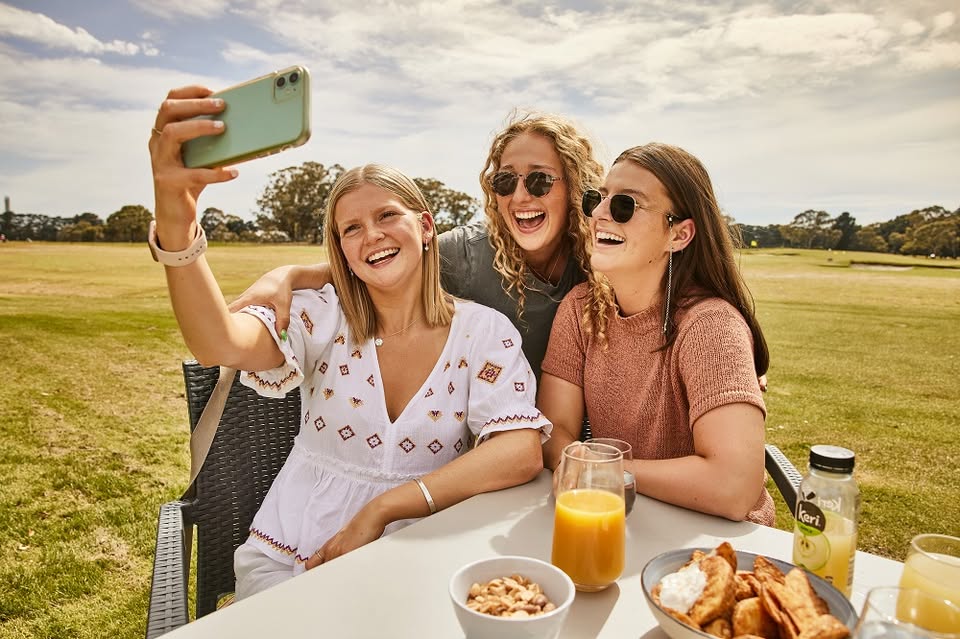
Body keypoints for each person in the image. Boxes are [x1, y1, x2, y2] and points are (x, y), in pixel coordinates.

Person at [148, 86, 551, 598]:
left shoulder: (484, 332)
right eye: (351, 229)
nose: (372, 235)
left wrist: (383, 508)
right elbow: (219, 343)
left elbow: (520, 451)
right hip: (295, 559)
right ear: (340, 249)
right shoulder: (321, 316)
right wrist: (178, 220)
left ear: (425, 226)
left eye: (387, 216)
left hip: (422, 559)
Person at [228, 111, 606, 382]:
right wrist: (289, 276)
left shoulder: (601, 258)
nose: (520, 196)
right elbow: (382, 261)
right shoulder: (469, 252)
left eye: (540, 180)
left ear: (575, 185)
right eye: (505, 181)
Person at [538, 142, 774, 525]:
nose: (599, 214)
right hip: (623, 520)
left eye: (625, 205)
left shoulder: (710, 325)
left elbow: (734, 487)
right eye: (598, 199)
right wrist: (579, 461)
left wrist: (601, 471)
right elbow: (554, 430)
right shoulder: (580, 309)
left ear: (678, 235)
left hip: (714, 542)